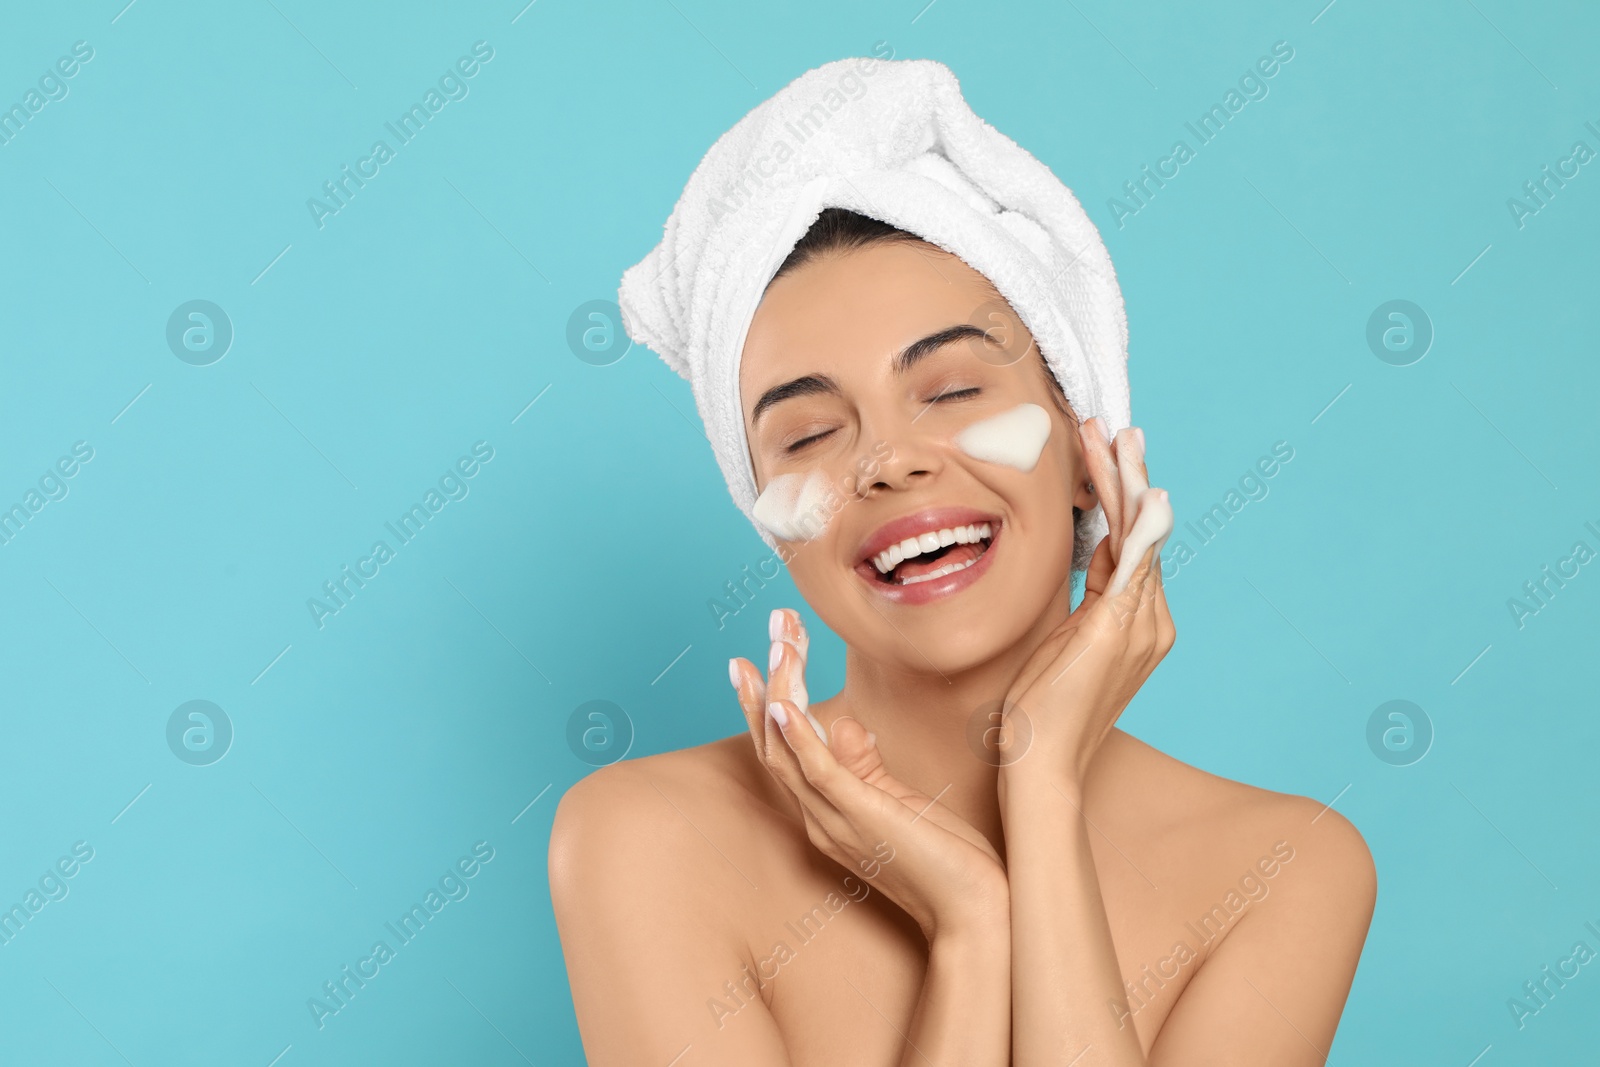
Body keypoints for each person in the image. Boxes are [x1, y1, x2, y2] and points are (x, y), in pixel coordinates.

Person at [551, 61, 1375, 1067]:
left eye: (949, 390)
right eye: (807, 433)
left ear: (1089, 453)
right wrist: (971, 928)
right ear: (773, 527)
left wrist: (1039, 789)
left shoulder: (1285, 868)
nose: (886, 459)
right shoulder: (643, 840)